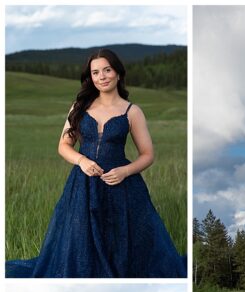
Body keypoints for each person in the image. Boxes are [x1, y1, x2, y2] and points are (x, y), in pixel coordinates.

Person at [5, 48, 186, 278]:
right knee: (81, 241)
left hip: (121, 187)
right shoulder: (79, 107)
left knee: (120, 240)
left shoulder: (132, 112)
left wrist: (124, 171)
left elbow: (148, 154)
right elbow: (63, 146)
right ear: (90, 77)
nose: (102, 76)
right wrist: (81, 161)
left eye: (107, 70)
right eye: (96, 72)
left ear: (118, 74)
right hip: (83, 186)